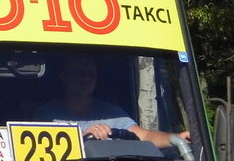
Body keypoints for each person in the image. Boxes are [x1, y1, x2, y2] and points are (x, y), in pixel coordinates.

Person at [35, 55, 188, 149]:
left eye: (90, 73)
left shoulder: (111, 113)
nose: (86, 78)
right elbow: (43, 147)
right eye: (78, 73)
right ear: (64, 77)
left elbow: (145, 136)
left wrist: (175, 138)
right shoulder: (46, 114)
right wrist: (82, 137)